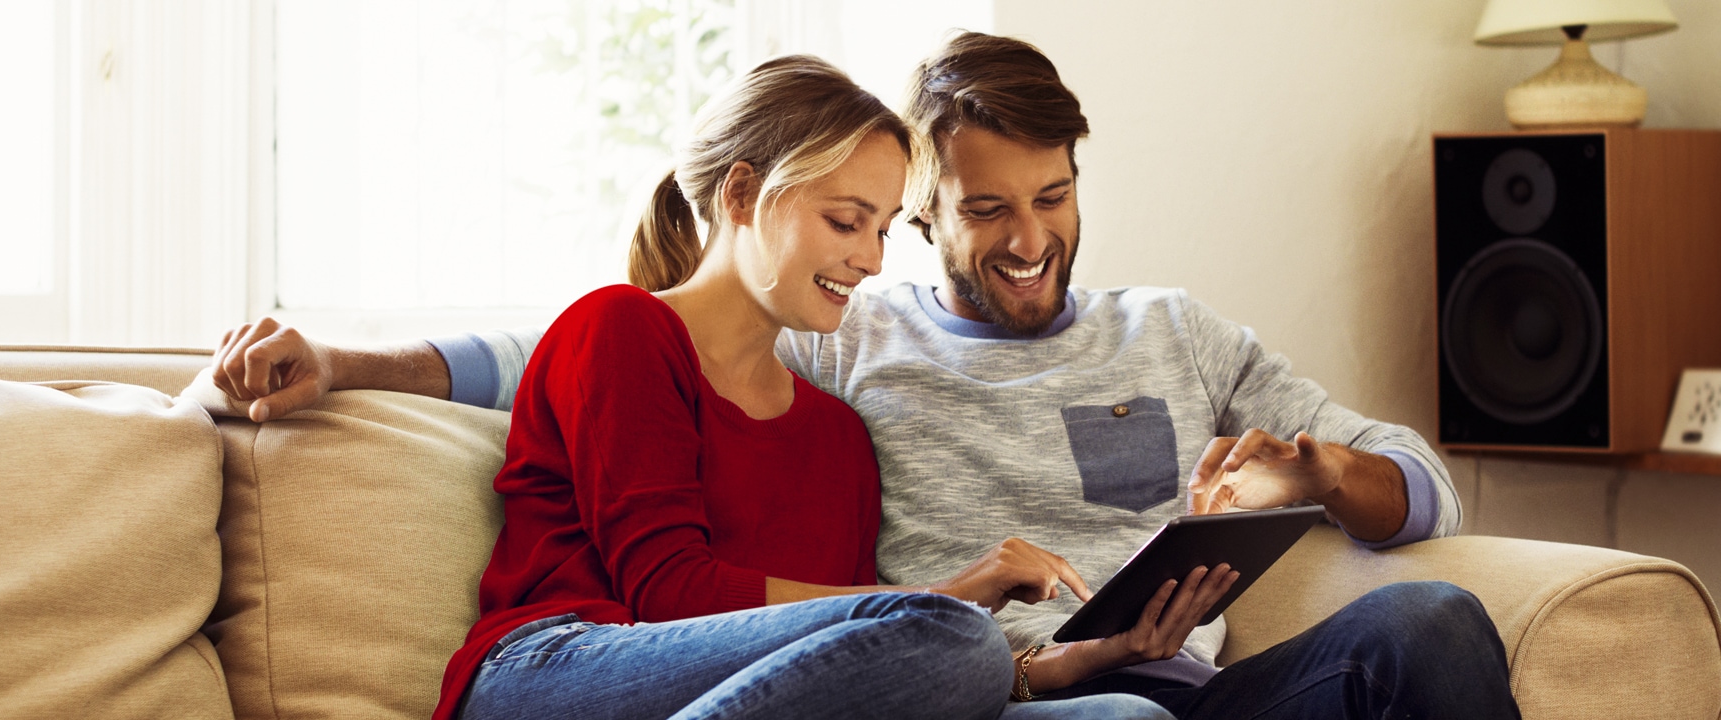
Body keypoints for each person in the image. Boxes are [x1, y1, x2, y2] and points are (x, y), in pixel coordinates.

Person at [215, 35, 1522, 719]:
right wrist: (347, 356)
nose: (1027, 239)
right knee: (977, 662)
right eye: (979, 210)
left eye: (1053, 198)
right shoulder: (851, 331)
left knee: (1432, 627)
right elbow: (588, 347)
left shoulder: (1173, 333)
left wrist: (1319, 472)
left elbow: (1423, 482)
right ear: (928, 218)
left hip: (1178, 687)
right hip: (976, 688)